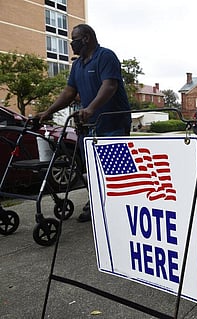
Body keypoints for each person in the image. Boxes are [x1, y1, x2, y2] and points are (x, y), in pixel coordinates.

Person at [38, 24, 131, 222]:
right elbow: (69, 93)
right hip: (89, 127)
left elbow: (110, 86)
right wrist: (47, 112)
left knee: (115, 170)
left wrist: (90, 108)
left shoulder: (105, 57)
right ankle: (96, 201)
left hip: (112, 124)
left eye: (74, 39)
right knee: (92, 170)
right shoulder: (78, 65)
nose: (71, 44)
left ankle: (120, 207)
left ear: (86, 38)